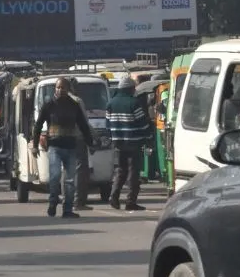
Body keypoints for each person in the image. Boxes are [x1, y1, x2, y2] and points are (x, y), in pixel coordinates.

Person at [32, 77, 92, 219]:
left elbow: (83, 125)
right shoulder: (49, 105)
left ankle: (67, 209)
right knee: (55, 177)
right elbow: (38, 125)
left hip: (71, 147)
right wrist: (35, 146)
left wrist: (90, 143)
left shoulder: (74, 105)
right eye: (58, 87)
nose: (60, 90)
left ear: (68, 89)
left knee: (70, 181)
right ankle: (53, 202)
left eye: (63, 88)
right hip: (54, 147)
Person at [105, 80, 153, 212]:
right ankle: (131, 201)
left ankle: (113, 196)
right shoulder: (134, 103)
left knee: (121, 170)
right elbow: (142, 124)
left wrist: (113, 138)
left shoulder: (110, 103)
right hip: (133, 142)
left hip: (118, 143)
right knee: (133, 172)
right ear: (129, 89)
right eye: (133, 88)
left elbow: (107, 125)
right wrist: (149, 136)